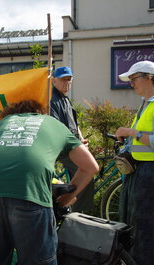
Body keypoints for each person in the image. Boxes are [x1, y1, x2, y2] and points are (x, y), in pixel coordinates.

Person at [0, 100, 98, 265]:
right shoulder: (54, 123)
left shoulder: (3, 124)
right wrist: (67, 197)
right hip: (29, 193)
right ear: (40, 113)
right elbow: (91, 166)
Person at [115, 60, 154, 265]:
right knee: (137, 223)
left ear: (148, 78)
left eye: (134, 79)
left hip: (153, 173)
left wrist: (132, 132)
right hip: (141, 171)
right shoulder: (147, 103)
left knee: (149, 225)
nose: (132, 85)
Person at [50, 66, 94, 212]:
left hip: (72, 145)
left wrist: (81, 139)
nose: (66, 83)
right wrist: (76, 144)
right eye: (63, 80)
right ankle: (79, 213)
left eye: (69, 80)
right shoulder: (52, 99)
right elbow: (57, 127)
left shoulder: (65, 99)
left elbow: (75, 124)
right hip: (63, 147)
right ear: (54, 81)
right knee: (86, 171)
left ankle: (74, 208)